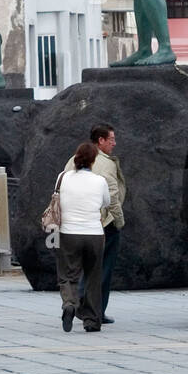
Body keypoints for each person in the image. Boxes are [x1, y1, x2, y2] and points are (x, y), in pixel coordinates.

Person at [64, 124, 126, 324]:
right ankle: (94, 311)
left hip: (71, 226)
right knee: (100, 269)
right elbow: (112, 197)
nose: (114, 144)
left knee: (72, 271)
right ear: (100, 141)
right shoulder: (106, 164)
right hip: (100, 224)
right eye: (111, 139)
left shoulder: (70, 162)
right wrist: (119, 221)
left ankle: (71, 304)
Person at [56, 141, 111, 333]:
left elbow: (57, 200)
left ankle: (69, 304)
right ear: (94, 160)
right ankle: (92, 321)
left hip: (69, 233)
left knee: (68, 275)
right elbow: (106, 203)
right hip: (94, 233)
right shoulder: (100, 181)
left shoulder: (62, 178)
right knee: (93, 277)